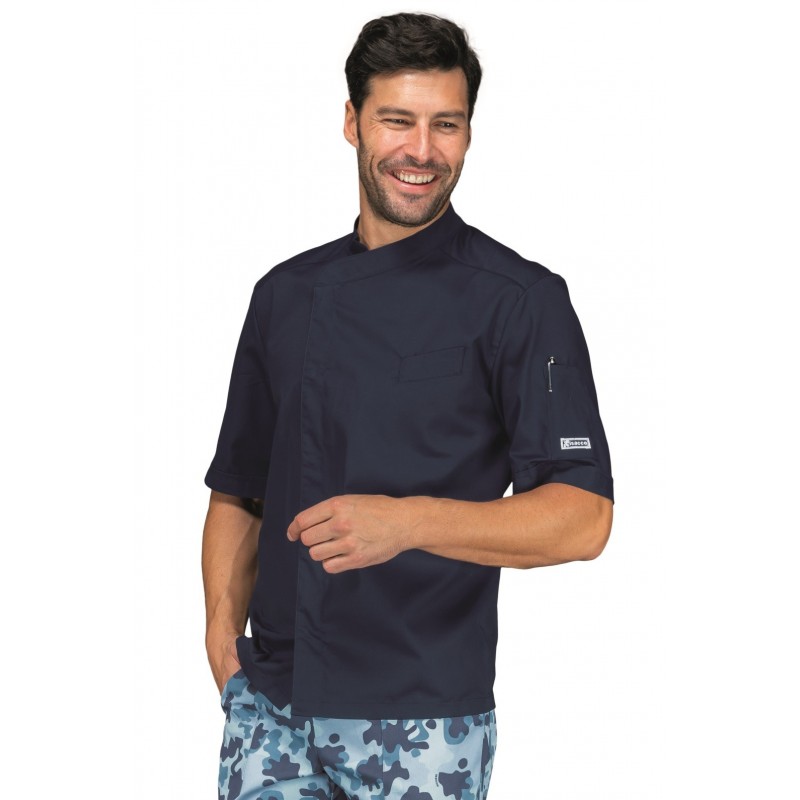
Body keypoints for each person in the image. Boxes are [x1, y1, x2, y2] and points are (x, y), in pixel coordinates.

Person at [202, 12, 613, 799]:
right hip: (271, 712)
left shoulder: (522, 300)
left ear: (468, 133)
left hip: (423, 720)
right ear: (352, 122)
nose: (421, 150)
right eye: (397, 120)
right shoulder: (283, 295)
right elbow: (240, 490)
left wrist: (409, 522)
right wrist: (224, 644)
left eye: (445, 125)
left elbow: (583, 517)